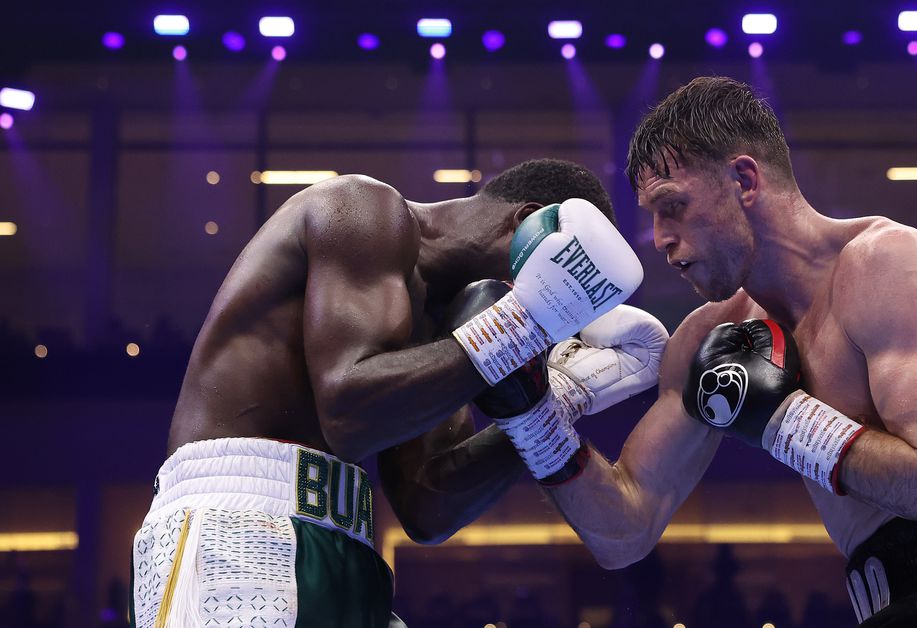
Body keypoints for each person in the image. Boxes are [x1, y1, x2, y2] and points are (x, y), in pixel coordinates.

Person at [494, 78, 917, 626]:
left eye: (673, 206)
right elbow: (624, 531)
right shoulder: (707, 339)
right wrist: (537, 415)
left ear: (744, 180)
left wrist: (782, 418)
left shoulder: (893, 266)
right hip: (883, 606)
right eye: (652, 216)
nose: (661, 239)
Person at [129, 158, 666, 627]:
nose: (539, 332)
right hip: (236, 526)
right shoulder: (364, 210)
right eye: (552, 295)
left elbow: (426, 505)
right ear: (526, 226)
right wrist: (529, 320)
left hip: (346, 545)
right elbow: (348, 412)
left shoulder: (446, 333)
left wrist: (558, 402)